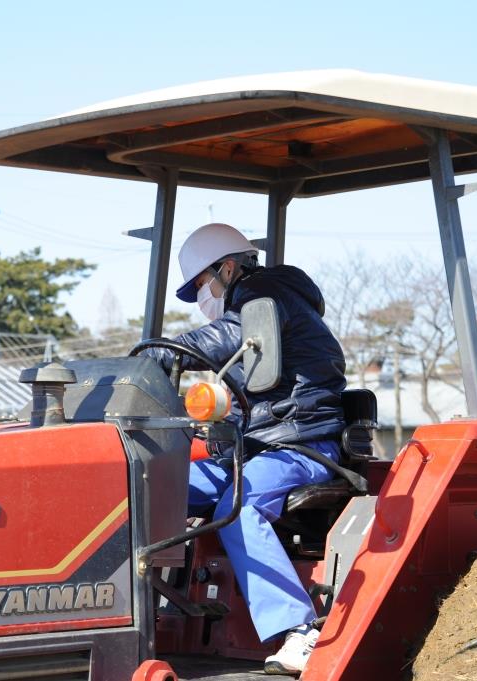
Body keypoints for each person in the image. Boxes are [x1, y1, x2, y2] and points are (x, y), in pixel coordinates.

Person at [143, 223, 346, 676]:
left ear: (227, 269)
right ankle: (136, 613)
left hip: (301, 443)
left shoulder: (265, 295)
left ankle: (300, 631)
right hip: (255, 445)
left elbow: (225, 337)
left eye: (200, 285)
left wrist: (165, 351)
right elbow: (249, 397)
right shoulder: (260, 311)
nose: (201, 298)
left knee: (238, 505)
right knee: (150, 485)